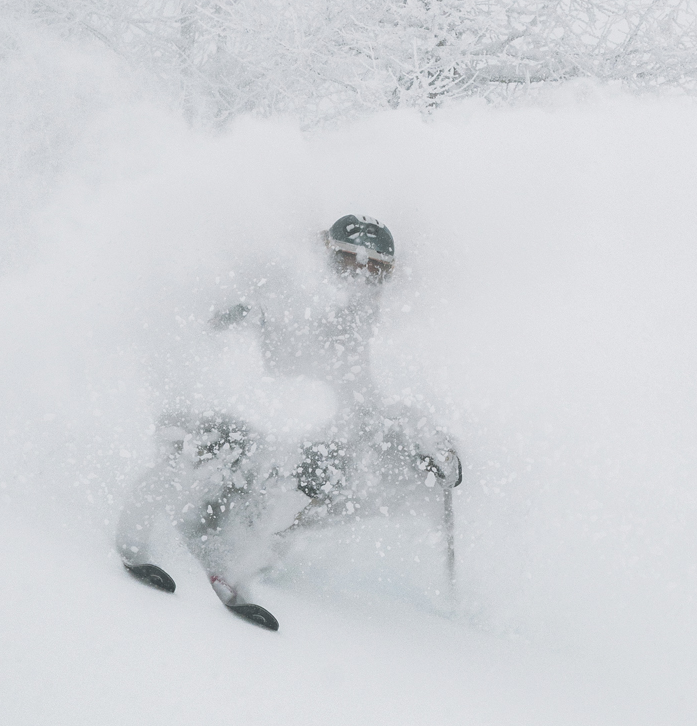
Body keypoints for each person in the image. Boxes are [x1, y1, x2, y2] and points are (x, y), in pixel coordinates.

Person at [116, 216, 460, 630]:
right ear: (327, 258)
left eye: (375, 269)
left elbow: (368, 409)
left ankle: (235, 555)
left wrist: (421, 444)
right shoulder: (288, 291)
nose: (361, 278)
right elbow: (212, 353)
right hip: (220, 435)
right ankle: (141, 522)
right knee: (232, 438)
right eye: (350, 263)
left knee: (329, 463)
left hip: (254, 480)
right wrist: (237, 333)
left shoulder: (360, 334)